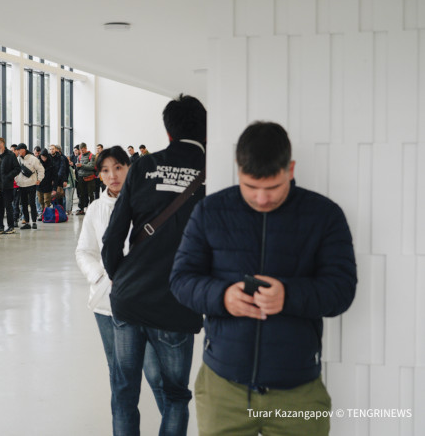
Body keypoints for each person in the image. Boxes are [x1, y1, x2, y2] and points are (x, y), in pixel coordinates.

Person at [170, 121, 357, 436]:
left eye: (272, 188)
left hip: (297, 392)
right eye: (250, 186)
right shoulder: (209, 211)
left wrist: (289, 295)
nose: (261, 199)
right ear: (238, 169)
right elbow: (180, 280)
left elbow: (342, 290)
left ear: (290, 169)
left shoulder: (325, 216)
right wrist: (222, 297)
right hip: (222, 390)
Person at [101, 95, 207, 434]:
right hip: (177, 302)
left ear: (168, 132)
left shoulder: (144, 166)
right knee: (175, 396)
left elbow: (112, 238)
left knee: (123, 392)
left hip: (130, 297)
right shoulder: (215, 171)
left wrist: (121, 277)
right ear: (205, 129)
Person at [76, 146, 165, 429]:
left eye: (118, 168)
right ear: (99, 175)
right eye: (105, 170)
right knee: (121, 379)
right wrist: (100, 277)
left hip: (144, 304)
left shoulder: (148, 203)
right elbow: (84, 251)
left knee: (157, 375)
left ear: (129, 168)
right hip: (107, 305)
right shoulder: (96, 209)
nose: (112, 175)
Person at [14, 143, 44, 230]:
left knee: (32, 203)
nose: (18, 152)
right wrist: (16, 180)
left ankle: (34, 222)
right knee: (23, 204)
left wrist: (39, 179)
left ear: (24, 150)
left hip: (31, 184)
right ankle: (27, 222)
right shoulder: (18, 159)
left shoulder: (33, 158)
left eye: (19, 150)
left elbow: (41, 169)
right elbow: (15, 171)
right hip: (21, 185)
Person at [0, 137, 19, 234]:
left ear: (2, 144)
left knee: (8, 207)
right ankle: (0, 226)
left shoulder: (10, 155)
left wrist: (8, 177)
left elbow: (17, 169)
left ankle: (11, 226)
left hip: (7, 186)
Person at [75, 142, 97, 215]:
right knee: (81, 194)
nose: (82, 151)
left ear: (86, 148)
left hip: (90, 178)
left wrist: (81, 165)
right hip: (81, 177)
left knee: (90, 194)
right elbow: (78, 168)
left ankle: (92, 209)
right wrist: (77, 166)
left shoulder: (92, 156)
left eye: (83, 149)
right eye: (80, 150)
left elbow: (92, 166)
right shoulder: (79, 157)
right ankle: (81, 209)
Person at [36, 149, 56, 217]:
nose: (43, 159)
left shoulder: (51, 163)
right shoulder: (37, 162)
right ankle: (43, 213)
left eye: (45, 157)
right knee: (40, 200)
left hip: (48, 184)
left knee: (47, 201)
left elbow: (55, 175)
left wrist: (54, 188)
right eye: (42, 157)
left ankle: (46, 214)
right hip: (39, 184)